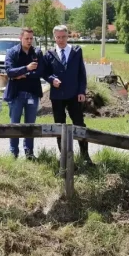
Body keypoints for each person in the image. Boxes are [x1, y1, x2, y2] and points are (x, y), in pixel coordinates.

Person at [42, 25, 92, 164]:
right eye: (58, 37)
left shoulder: (76, 51)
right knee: (59, 126)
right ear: (54, 37)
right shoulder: (49, 53)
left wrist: (82, 91)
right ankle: (64, 158)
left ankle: (85, 156)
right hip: (57, 96)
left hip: (74, 95)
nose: (61, 40)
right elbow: (45, 73)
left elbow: (81, 73)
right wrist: (52, 80)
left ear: (67, 36)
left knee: (79, 124)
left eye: (63, 37)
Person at [3, 27, 44, 159]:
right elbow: (9, 71)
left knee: (30, 125)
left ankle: (29, 152)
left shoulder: (37, 53)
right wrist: (26, 68)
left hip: (32, 92)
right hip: (16, 94)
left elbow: (40, 72)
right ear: (20, 38)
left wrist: (21, 74)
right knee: (15, 124)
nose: (29, 41)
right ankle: (13, 152)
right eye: (27, 38)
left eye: (31, 38)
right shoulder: (12, 52)